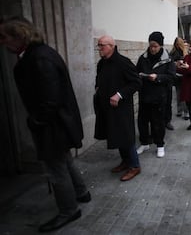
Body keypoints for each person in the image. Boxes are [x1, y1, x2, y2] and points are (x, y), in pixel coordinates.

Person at [0, 17, 90, 232]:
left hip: (52, 126)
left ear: (20, 36)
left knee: (56, 168)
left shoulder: (39, 58)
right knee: (64, 160)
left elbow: (51, 99)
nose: (2, 43)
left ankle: (69, 210)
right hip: (57, 124)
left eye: (4, 37)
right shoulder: (37, 54)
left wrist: (36, 121)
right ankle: (81, 192)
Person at [94, 35, 142, 181]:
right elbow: (100, 79)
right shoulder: (101, 63)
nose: (99, 48)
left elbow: (136, 82)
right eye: (98, 45)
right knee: (116, 135)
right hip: (107, 108)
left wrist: (119, 94)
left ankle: (135, 166)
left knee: (126, 136)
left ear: (112, 46)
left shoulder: (123, 62)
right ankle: (126, 161)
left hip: (121, 108)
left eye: (102, 45)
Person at [136, 31, 175, 158]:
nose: (152, 49)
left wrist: (158, 77)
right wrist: (140, 76)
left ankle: (160, 145)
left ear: (161, 46)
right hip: (144, 95)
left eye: (155, 46)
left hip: (159, 96)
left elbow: (171, 77)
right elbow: (137, 72)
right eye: (151, 45)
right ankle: (144, 142)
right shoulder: (143, 57)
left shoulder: (167, 59)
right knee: (142, 121)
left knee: (157, 122)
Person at [169, 37, 189, 120]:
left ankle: (186, 112)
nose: (177, 45)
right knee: (178, 94)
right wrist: (175, 63)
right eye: (176, 44)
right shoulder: (172, 52)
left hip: (184, 75)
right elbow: (169, 62)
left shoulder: (185, 52)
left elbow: (188, 63)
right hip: (176, 75)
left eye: (178, 44)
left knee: (184, 95)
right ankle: (179, 110)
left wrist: (182, 63)